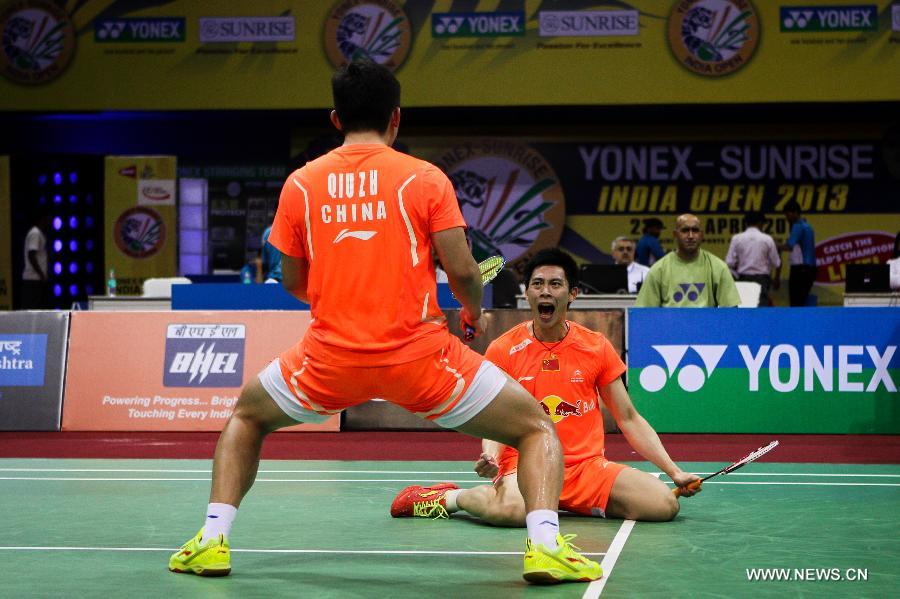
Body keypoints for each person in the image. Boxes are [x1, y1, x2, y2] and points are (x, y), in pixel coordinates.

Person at [168, 61, 601, 585]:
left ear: (335, 118)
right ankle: (546, 547)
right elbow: (463, 270)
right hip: (421, 360)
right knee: (535, 428)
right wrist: (470, 311)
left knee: (246, 417)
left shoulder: (300, 185)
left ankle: (212, 540)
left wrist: (337, 297)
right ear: (396, 118)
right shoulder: (424, 179)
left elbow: (291, 281)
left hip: (328, 360)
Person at [391, 249, 701, 529]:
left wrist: (674, 472)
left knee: (663, 504)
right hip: (527, 464)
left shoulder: (595, 347)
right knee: (510, 512)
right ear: (527, 293)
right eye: (537, 284)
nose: (545, 291)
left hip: (585, 468)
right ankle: (449, 498)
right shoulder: (505, 348)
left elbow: (629, 418)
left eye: (555, 284)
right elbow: (493, 414)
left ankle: (559, 503)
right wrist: (491, 456)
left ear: (573, 294)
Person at [635, 214, 740, 308]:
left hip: (706, 327)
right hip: (670, 327)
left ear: (701, 235)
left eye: (695, 230)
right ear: (675, 235)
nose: (690, 236)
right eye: (685, 231)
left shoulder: (718, 267)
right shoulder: (658, 270)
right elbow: (644, 313)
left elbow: (731, 311)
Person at [725, 211, 781, 306]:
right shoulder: (767, 239)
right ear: (760, 223)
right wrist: (776, 279)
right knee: (761, 312)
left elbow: (729, 262)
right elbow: (777, 263)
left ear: (746, 223)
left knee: (745, 310)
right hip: (762, 280)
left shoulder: (737, 238)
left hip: (743, 279)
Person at [778, 200, 817, 307]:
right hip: (810, 269)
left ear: (795, 212)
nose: (786, 218)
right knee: (802, 301)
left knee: (796, 303)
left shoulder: (798, 226)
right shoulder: (807, 226)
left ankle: (797, 322)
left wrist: (772, 244)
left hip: (800, 270)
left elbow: (789, 246)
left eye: (787, 214)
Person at [21, 213, 49, 309]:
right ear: (42, 219)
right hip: (33, 279)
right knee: (31, 308)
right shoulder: (35, 233)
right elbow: (31, 255)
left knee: (36, 308)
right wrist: (41, 274)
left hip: (36, 278)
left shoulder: (39, 233)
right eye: (47, 218)